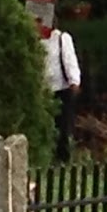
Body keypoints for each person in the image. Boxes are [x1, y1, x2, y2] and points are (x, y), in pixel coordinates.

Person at [41, 23, 81, 161]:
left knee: (62, 126)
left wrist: (74, 80)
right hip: (42, 90)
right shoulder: (34, 39)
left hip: (61, 88)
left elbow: (69, 60)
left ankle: (62, 158)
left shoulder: (61, 38)